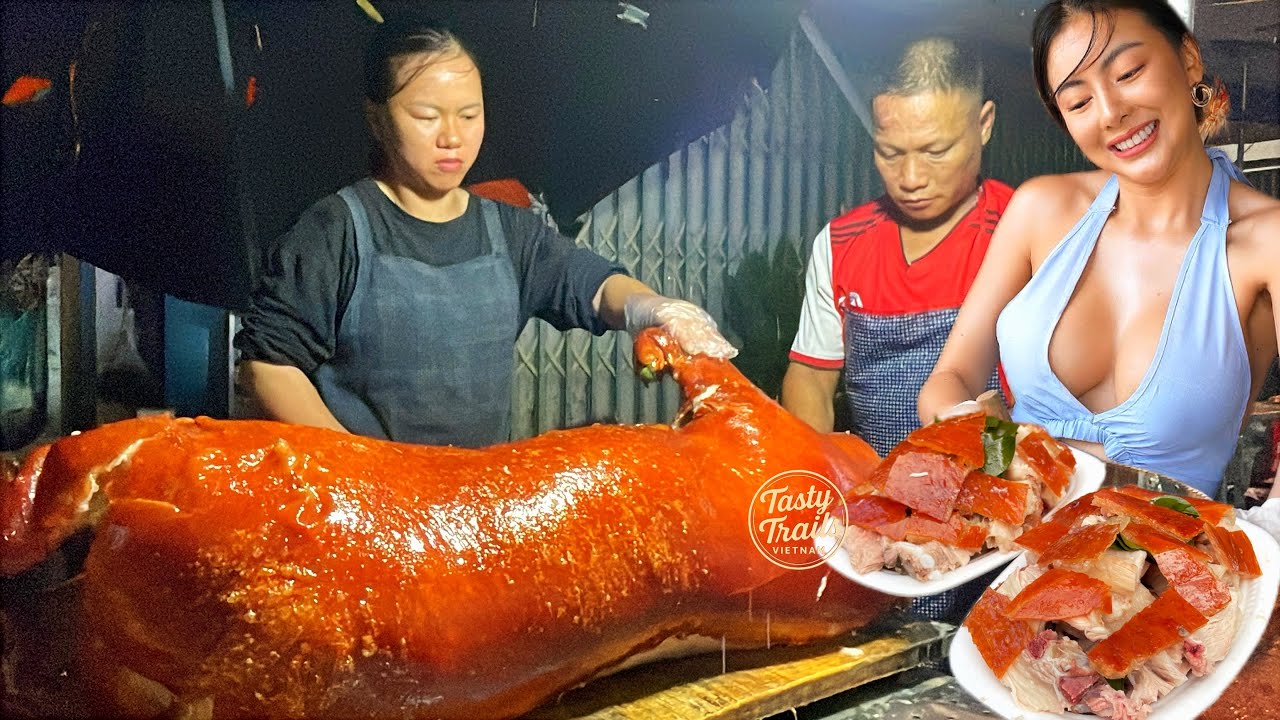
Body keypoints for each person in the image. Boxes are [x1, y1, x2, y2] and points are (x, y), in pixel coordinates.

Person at [234, 17, 734, 448]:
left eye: (469, 115)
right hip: (359, 512)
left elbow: (594, 286)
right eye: (427, 116)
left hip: (473, 508)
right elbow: (268, 367)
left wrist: (653, 309)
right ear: (378, 119)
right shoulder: (337, 228)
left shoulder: (509, 233)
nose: (452, 136)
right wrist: (358, 471)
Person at [918, 0, 1280, 503]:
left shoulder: (1267, 242)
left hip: (1171, 570)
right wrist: (982, 439)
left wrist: (1264, 540)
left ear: (1188, 59)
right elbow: (950, 378)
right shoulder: (1040, 209)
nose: (1112, 113)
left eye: (1129, 72)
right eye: (1078, 102)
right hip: (1012, 562)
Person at [781, 37, 1012, 458]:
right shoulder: (840, 244)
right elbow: (812, 376)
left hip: (997, 492)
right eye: (889, 152)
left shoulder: (1022, 231)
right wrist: (816, 469)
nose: (910, 178)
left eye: (935, 151)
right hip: (876, 496)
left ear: (984, 124)